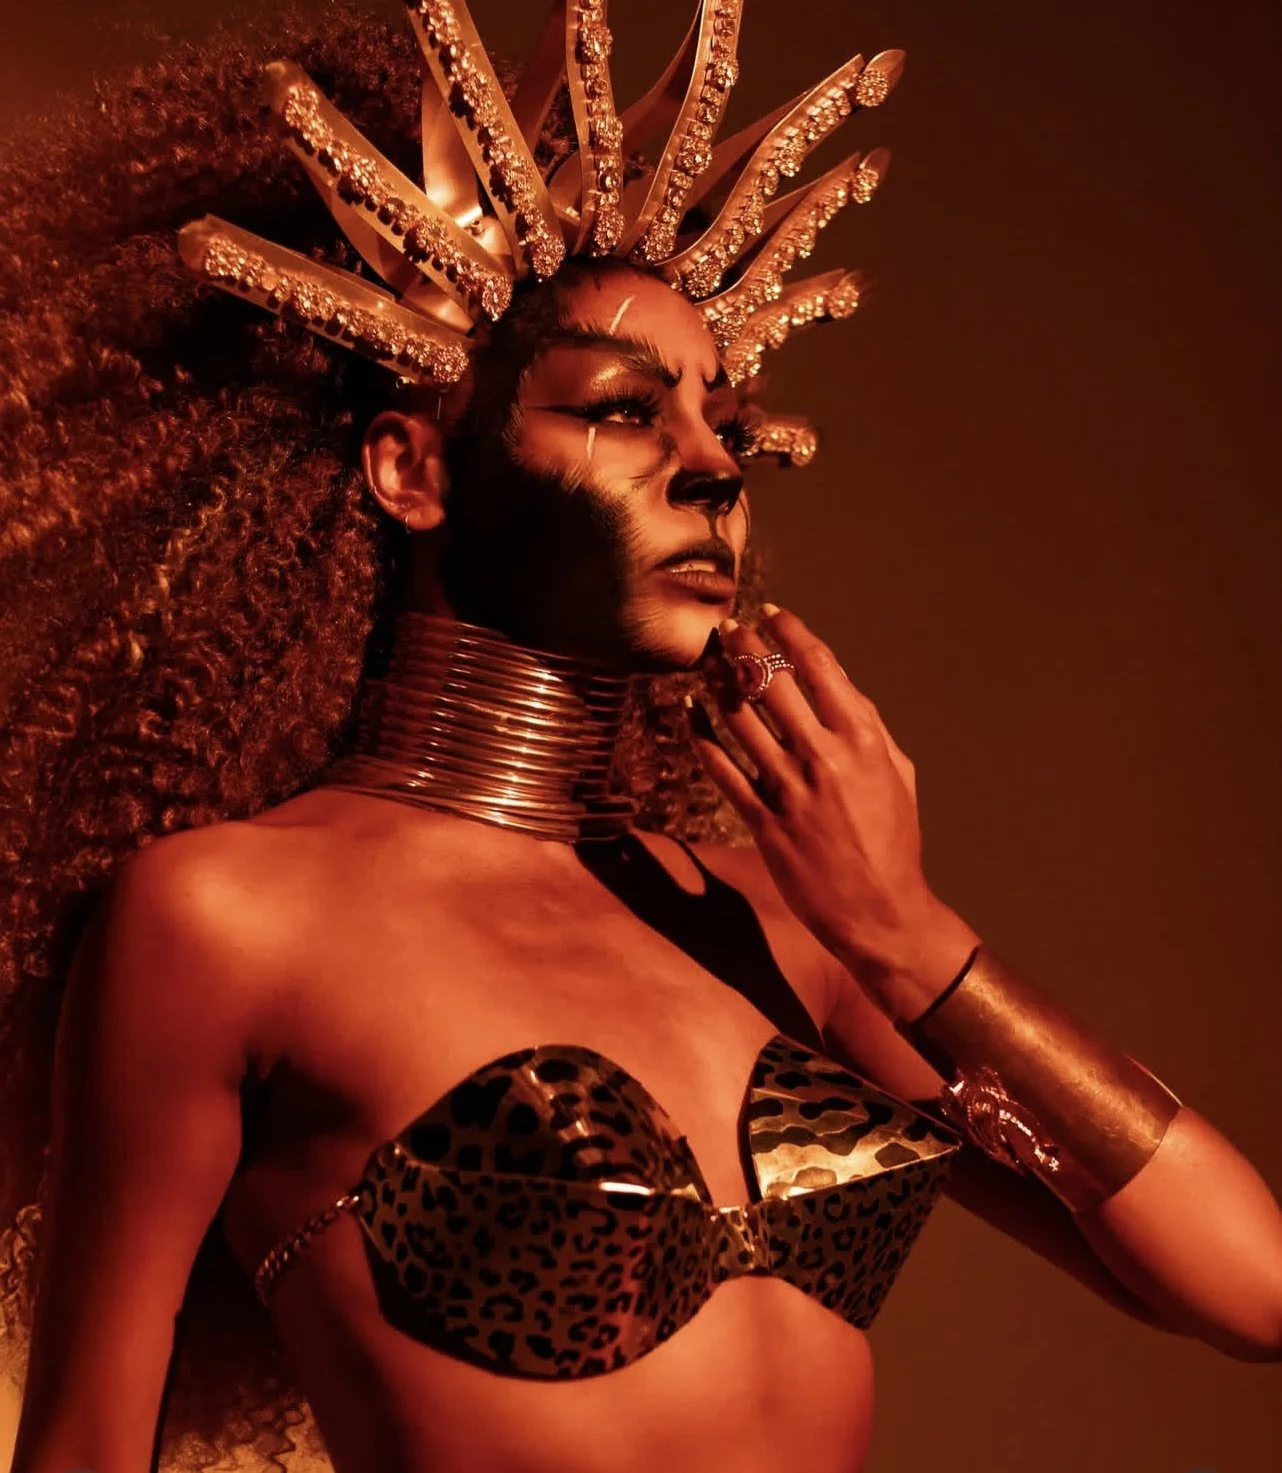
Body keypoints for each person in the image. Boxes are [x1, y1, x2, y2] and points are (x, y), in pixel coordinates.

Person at [2, 3, 1280, 1472]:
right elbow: (87, 1447)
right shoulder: (229, 917)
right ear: (413, 469)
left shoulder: (775, 926)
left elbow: (1249, 1288)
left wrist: (910, 943)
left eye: (723, 423)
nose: (711, 468)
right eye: (622, 410)